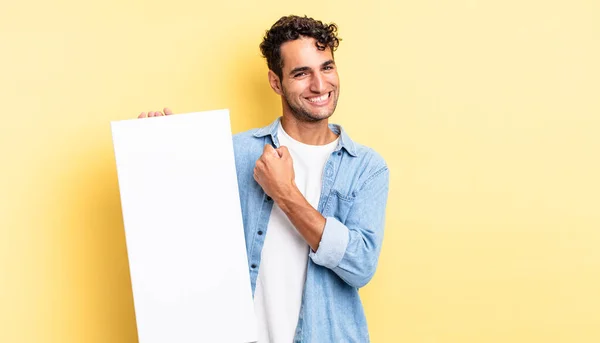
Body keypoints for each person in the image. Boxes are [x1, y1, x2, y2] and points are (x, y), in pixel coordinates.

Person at [138, 15, 389, 343]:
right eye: (301, 73)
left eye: (326, 68)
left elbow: (360, 265)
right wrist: (158, 154)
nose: (319, 85)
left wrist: (284, 192)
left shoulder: (366, 168)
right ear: (275, 81)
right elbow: (184, 237)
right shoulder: (235, 153)